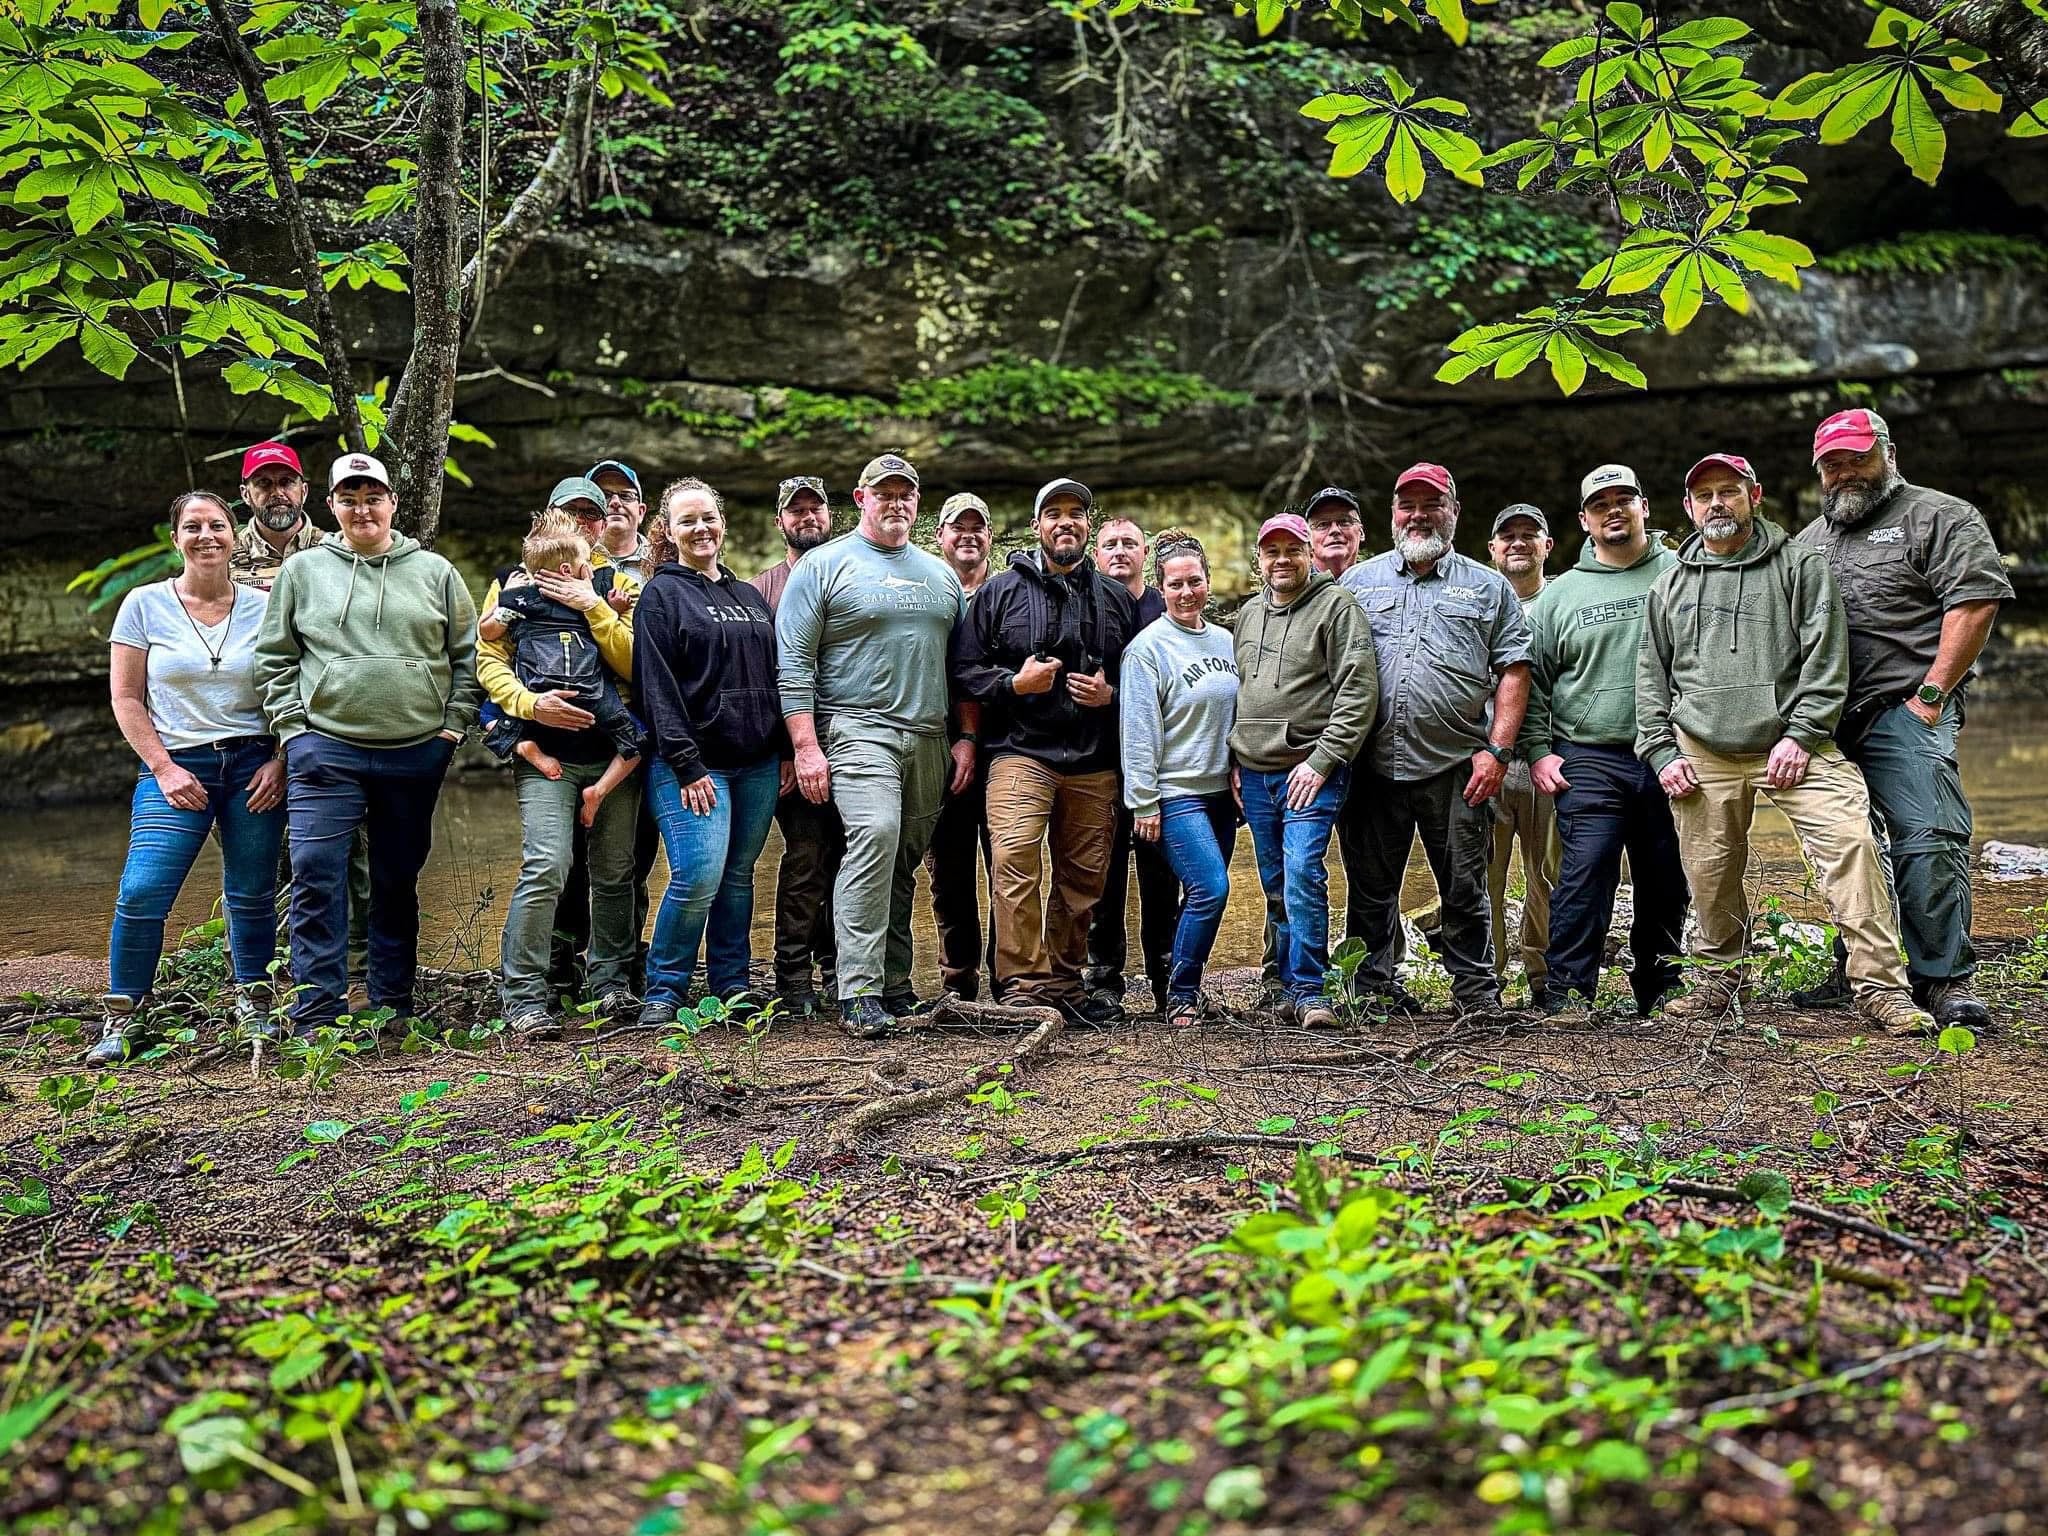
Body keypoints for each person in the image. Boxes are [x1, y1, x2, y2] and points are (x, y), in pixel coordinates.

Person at [1637, 452, 1933, 1033]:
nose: (1717, 503)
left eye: (1730, 491)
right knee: (1708, 869)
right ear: (1689, 508)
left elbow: (1828, 661)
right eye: (1705, 496)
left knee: (1852, 846)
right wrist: (1661, 751)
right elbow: (1651, 676)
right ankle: (1718, 983)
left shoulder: (1800, 565)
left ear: (1755, 495)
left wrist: (1801, 735)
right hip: (1702, 749)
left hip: (1795, 745)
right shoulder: (1668, 585)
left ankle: (1881, 988)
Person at [1794, 409, 2011, 1029]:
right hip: (1826, 722)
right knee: (1849, 848)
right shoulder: (1810, 542)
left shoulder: (1940, 516)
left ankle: (1944, 980)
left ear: (1888, 452)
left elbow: (1974, 602)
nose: (1843, 473)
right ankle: (1865, 969)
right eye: (1831, 464)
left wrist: (1932, 696)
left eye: (1856, 458)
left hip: (1905, 707)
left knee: (1928, 837)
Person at [256, 451, 481, 1031]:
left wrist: (451, 729)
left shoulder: (435, 571)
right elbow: (275, 657)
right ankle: (317, 1014)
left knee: (395, 878)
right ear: (330, 505)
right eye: (349, 498)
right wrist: (294, 732)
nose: (362, 509)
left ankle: (391, 1005)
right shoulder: (302, 572)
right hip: (325, 749)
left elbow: (465, 657)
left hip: (415, 751)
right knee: (314, 871)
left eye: (372, 497)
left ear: (392, 503)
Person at [88, 492, 288, 1064]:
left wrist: (280, 758)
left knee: (251, 893)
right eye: (193, 526)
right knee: (143, 889)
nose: (207, 536)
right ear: (175, 538)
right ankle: (122, 1016)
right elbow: (126, 698)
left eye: (218, 526)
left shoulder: (264, 606)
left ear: (234, 534)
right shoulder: (144, 605)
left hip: (255, 765)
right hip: (176, 765)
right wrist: (163, 767)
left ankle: (254, 1003)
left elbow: (288, 688)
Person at [778, 452, 971, 1038]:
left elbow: (959, 666)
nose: (896, 503)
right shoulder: (823, 565)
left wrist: (965, 739)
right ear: (860, 499)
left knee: (904, 861)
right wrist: (806, 746)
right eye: (883, 493)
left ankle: (894, 983)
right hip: (858, 730)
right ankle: (856, 989)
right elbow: (794, 663)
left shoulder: (940, 575)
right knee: (875, 837)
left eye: (905, 493)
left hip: (929, 736)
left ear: (918, 501)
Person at [1342, 464, 1532, 1015]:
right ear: (1393, 514)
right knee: (1370, 888)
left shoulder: (1487, 586)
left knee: (1464, 886)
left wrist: (1497, 752)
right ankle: (1371, 990)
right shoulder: (1358, 583)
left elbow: (1514, 669)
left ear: (1455, 511)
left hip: (1457, 764)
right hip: (1373, 763)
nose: (1419, 515)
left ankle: (1475, 992)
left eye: (1432, 504)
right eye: (1408, 505)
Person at [952, 478, 1139, 1026]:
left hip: (1093, 760)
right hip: (1019, 752)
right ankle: (1023, 986)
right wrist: (1015, 684)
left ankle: (1065, 982)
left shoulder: (1114, 599)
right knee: (1014, 860)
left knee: (1084, 877)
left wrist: (1112, 697)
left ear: (1087, 525)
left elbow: (1143, 679)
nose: (1065, 522)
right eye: (1053, 513)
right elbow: (965, 671)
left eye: (1076, 514)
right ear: (1037, 526)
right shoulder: (1000, 591)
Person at [1520, 469, 1688, 1017]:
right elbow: (1534, 680)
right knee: (1585, 870)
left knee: (1664, 876)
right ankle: (1569, 992)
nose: (1613, 511)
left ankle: (1660, 989)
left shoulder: (1683, 573)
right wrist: (1539, 750)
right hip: (1589, 754)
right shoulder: (1561, 595)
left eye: (1623, 501)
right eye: (1600, 505)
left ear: (1644, 505)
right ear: (1583, 520)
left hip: (1671, 750)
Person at [476, 475, 643, 999]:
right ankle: (524, 990)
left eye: (590, 516)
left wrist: (593, 605)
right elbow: (488, 657)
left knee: (616, 872)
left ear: (599, 528)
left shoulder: (619, 586)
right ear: (548, 518)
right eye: (568, 513)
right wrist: (531, 707)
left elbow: (638, 666)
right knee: (547, 865)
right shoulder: (513, 582)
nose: (581, 523)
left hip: (612, 751)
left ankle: (609, 981)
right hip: (545, 748)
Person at [634, 479, 786, 1028]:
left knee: (739, 874)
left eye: (708, 518)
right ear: (669, 533)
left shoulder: (748, 597)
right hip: (693, 765)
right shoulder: (660, 595)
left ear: (723, 523)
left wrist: (786, 747)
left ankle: (732, 985)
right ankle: (665, 987)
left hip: (758, 762)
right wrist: (686, 762)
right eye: (687, 521)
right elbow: (658, 688)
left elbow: (772, 677)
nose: (700, 529)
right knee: (697, 873)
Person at [1231, 513, 1377, 1029]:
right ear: (1259, 559)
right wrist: (1234, 754)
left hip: (1309, 769)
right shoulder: (1248, 614)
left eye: (1292, 550)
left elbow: (1358, 691)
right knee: (1273, 883)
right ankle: (1281, 987)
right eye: (1272, 552)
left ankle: (1311, 991)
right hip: (1253, 769)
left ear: (1309, 553)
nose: (1282, 560)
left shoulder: (1336, 607)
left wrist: (1322, 761)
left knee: (1302, 876)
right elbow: (1241, 691)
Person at [1119, 533, 1240, 1029]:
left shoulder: (1226, 641)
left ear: (1208, 583)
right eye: (1175, 584)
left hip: (1222, 795)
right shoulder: (1146, 651)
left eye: (1195, 581)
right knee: (1212, 887)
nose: (1186, 591)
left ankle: (1186, 989)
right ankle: (1181, 993)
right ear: (1160, 588)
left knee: (1200, 895)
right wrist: (1143, 801)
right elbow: (1139, 731)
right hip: (1174, 794)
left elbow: (1240, 716)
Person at [754, 475, 841, 1018]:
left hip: (856, 742)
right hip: (795, 748)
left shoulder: (852, 571)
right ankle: (792, 975)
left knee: (852, 858)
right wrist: (787, 750)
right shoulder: (760, 590)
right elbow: (762, 679)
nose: (806, 516)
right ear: (779, 520)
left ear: (830, 515)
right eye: (795, 510)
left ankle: (840, 967)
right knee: (807, 857)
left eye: (815, 508)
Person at [1084, 514, 1176, 1015]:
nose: (1119, 551)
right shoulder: (1087, 605)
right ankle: (1103, 978)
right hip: (1099, 763)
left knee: (1162, 875)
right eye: (1110, 544)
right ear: (1097, 555)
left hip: (1165, 769)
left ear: (1147, 554)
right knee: (1103, 874)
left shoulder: (1168, 607)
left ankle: (1168, 978)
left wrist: (1112, 695)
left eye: (1130, 544)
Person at [925, 491, 1000, 1001]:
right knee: (948, 872)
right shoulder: (925, 591)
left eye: (977, 527)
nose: (968, 535)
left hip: (1008, 749)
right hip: (939, 748)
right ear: (941, 537)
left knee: (1009, 869)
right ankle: (958, 981)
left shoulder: (1009, 592)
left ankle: (1009, 978)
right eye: (958, 527)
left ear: (989, 537)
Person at [1485, 503, 1560, 996]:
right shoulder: (1478, 602)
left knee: (1547, 873)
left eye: (1528, 535)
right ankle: (1484, 975)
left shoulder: (1564, 600)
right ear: (1491, 549)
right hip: (1486, 760)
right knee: (1481, 876)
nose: (1517, 543)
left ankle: (1543, 974)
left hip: (1548, 760)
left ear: (1546, 546)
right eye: (1506, 535)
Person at [231, 442, 324, 591]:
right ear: (245, 494)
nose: (277, 493)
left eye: (286, 482)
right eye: (264, 483)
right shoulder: (224, 557)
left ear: (304, 491)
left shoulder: (333, 551)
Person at [587, 459, 653, 584]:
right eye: (604, 495)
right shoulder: (569, 558)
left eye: (626, 496)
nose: (615, 502)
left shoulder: (662, 560)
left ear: (641, 512)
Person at [1305, 486, 1365, 581]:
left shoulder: (1379, 581)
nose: (1334, 530)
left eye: (1344, 521)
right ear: (1308, 537)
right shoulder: (1293, 588)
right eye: (1322, 524)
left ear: (1361, 532)